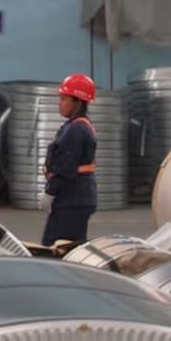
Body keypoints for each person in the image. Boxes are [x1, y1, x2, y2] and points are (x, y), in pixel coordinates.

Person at [40, 73, 98, 246]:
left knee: (54, 249)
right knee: (70, 248)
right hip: (76, 198)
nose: (60, 103)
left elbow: (66, 168)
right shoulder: (77, 126)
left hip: (72, 199)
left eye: (64, 99)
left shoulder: (76, 130)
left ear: (77, 101)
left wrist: (50, 192)